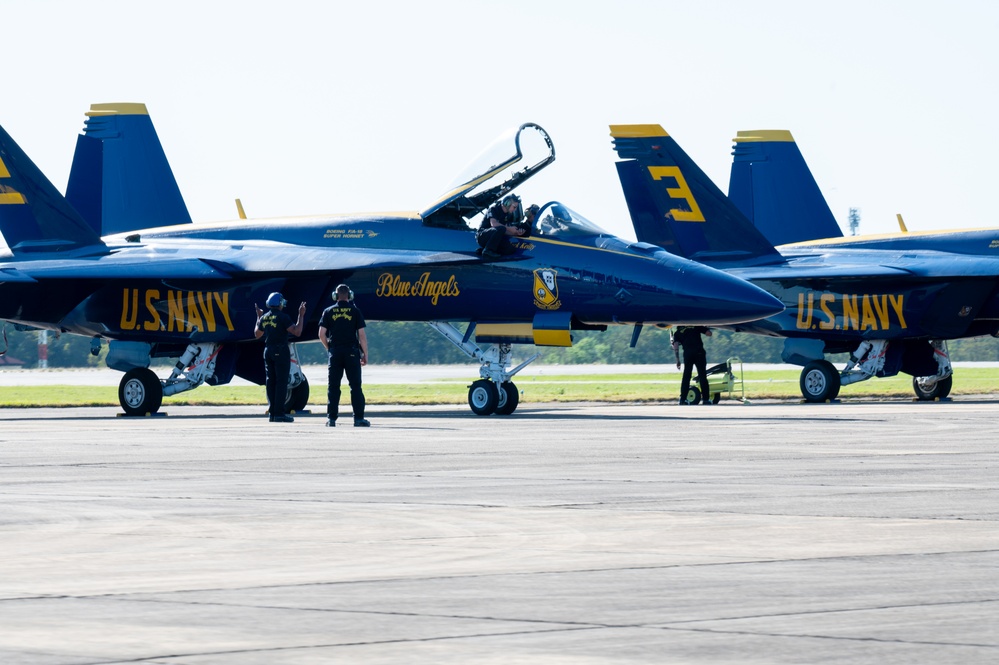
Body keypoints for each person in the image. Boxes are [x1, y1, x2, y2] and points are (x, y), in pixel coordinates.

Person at [319, 284, 370, 427]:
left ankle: (331, 419)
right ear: (349, 295)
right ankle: (359, 419)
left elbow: (321, 334)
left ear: (336, 296)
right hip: (352, 353)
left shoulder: (328, 311)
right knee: (355, 386)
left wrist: (329, 348)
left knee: (333, 387)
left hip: (335, 353)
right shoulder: (355, 311)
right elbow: (361, 335)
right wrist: (365, 354)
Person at [254, 292, 306, 422]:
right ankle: (279, 414)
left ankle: (272, 414)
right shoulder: (283, 317)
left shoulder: (265, 318)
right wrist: (301, 315)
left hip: (268, 351)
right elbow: (297, 332)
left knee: (270, 382)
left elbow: (257, 334)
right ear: (280, 303)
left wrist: (258, 317)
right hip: (281, 351)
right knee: (281, 383)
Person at [672, 326, 712, 405]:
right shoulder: (696, 326)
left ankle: (683, 399)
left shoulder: (677, 333)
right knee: (702, 376)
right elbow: (709, 334)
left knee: (686, 376)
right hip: (699, 353)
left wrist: (677, 360)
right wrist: (706, 327)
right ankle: (706, 399)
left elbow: (675, 346)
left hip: (688, 354)